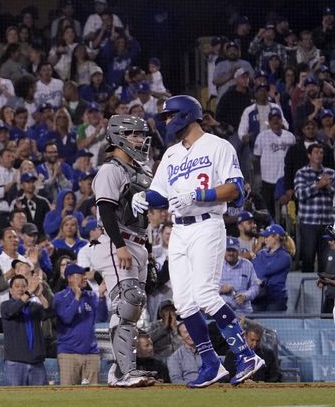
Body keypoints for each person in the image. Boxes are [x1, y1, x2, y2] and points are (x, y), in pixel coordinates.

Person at [137, 95, 264, 388]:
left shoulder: (218, 146)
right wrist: (143, 197)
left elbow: (235, 189)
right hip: (179, 230)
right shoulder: (171, 154)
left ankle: (246, 356)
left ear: (186, 115)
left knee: (206, 296)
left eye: (170, 115)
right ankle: (211, 363)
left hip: (207, 225)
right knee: (183, 303)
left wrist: (198, 195)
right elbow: (160, 193)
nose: (167, 121)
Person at [90, 115, 155, 387]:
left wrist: (149, 253)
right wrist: (119, 246)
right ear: (119, 137)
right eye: (134, 135)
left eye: (141, 135)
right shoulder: (110, 169)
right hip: (116, 241)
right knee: (128, 300)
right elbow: (105, 210)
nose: (140, 140)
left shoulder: (140, 170)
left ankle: (120, 371)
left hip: (137, 242)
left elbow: (143, 218)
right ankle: (124, 372)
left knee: (132, 308)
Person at [54, 264, 103, 385]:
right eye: (81, 274)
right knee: (68, 393)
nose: (84, 277)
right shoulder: (60, 297)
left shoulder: (91, 296)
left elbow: (101, 317)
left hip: (91, 353)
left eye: (85, 274)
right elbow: (66, 318)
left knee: (94, 394)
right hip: (68, 353)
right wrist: (77, 298)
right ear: (70, 278)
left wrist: (102, 297)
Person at [0, 273, 50, 386]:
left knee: (41, 396)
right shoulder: (6, 305)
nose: (21, 289)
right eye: (17, 286)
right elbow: (14, 310)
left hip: (36, 362)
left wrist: (40, 296)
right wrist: (29, 292)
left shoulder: (34, 306)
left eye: (23, 286)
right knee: (15, 396)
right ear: (10, 290)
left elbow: (48, 313)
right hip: (15, 363)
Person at [293, 142, 335, 272]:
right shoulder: (302, 173)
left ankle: (325, 284)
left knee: (326, 262)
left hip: (328, 224)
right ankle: (307, 284)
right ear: (309, 155)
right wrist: (318, 186)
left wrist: (328, 186)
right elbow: (299, 194)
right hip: (308, 224)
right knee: (308, 259)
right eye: (316, 152)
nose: (319, 155)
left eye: (321, 152)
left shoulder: (331, 173)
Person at [252, 224, 293, 312]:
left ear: (276, 237)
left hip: (276, 298)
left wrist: (256, 262)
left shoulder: (285, 257)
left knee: (272, 320)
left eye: (267, 236)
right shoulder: (261, 253)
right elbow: (253, 269)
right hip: (259, 296)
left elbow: (265, 271)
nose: (265, 239)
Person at [220, 236, 261, 316]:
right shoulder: (216, 266)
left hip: (243, 311)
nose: (231, 253)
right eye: (228, 250)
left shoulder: (247, 265)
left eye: (234, 250)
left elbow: (255, 286)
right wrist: (220, 289)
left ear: (239, 251)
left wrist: (245, 296)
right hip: (222, 311)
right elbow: (208, 287)